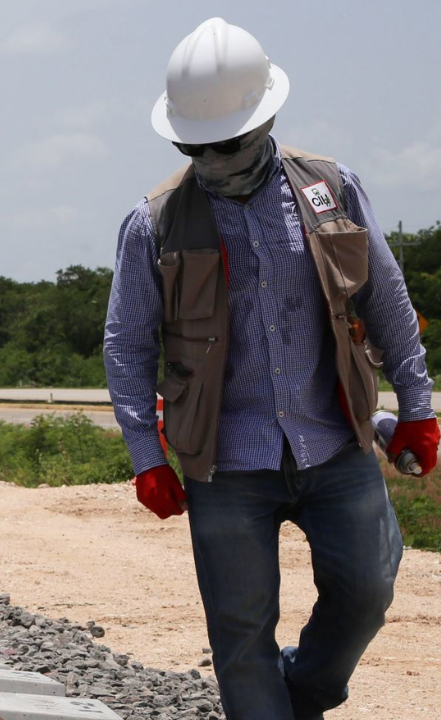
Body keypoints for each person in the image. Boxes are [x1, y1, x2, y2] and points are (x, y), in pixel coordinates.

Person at [102, 17, 439, 720]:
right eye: (198, 147)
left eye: (228, 143)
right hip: (226, 463)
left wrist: (418, 406)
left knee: (370, 586)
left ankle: (303, 692)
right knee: (240, 633)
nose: (215, 158)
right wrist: (146, 456)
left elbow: (386, 296)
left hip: (334, 440)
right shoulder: (155, 223)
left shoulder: (330, 190)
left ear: (266, 120)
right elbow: (127, 345)